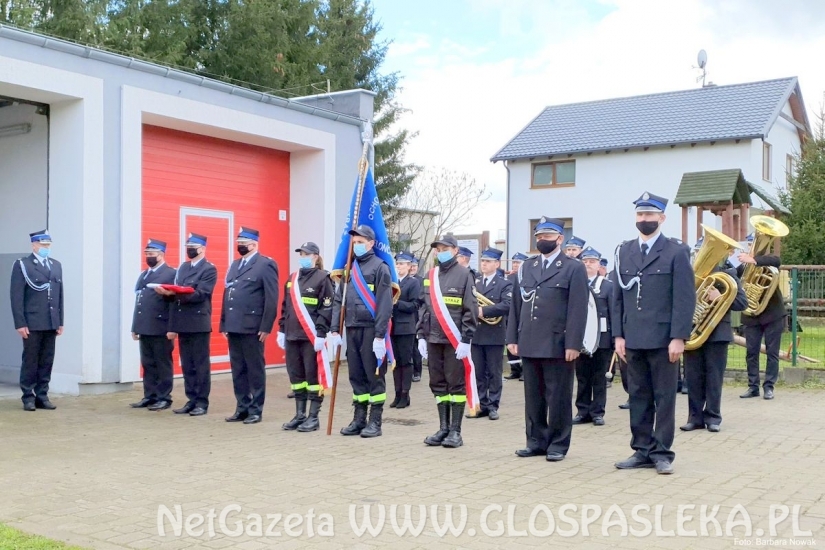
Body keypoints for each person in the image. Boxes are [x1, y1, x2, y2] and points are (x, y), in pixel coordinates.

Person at [612, 192, 695, 475]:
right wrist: (618, 336)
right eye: (640, 215)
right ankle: (642, 450)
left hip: (663, 339)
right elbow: (618, 298)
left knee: (664, 396)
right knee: (638, 395)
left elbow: (684, 298)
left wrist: (678, 337)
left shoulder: (676, 251)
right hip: (632, 338)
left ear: (661, 218)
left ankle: (662, 452)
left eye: (649, 215)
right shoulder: (624, 251)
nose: (644, 220)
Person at [507, 217, 588, 462]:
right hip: (530, 340)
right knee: (534, 396)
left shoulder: (573, 267)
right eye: (539, 236)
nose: (543, 240)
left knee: (559, 397)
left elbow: (578, 308)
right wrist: (512, 337)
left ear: (560, 239)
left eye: (548, 236)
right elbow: (516, 304)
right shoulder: (527, 267)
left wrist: (574, 343)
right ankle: (535, 441)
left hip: (558, 343)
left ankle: (558, 444)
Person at [329, 225, 393, 438]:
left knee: (373, 377)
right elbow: (339, 300)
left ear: (371, 243)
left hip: (371, 330)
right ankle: (358, 419)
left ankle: (375, 421)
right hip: (352, 329)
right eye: (354, 242)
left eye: (360, 242)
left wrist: (379, 335)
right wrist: (334, 329)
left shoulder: (380, 268)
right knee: (356, 376)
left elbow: (384, 304)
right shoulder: (349, 268)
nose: (356, 245)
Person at [418, 235, 478, 448]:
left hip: (454, 341)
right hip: (433, 339)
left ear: (455, 250)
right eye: (438, 248)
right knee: (438, 384)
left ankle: (456, 431)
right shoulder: (430, 275)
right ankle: (443, 428)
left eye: (445, 248)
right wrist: (421, 336)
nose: (440, 251)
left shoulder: (464, 274)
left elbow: (470, 308)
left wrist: (466, 338)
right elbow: (424, 308)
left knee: (456, 385)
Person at [681, 250, 747, 433]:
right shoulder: (687, 274)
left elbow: (742, 304)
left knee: (714, 378)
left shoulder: (728, 276)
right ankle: (694, 418)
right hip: (693, 332)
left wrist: (719, 298)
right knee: (693, 377)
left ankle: (713, 417)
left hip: (717, 333)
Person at [220, 227, 279, 425]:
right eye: (239, 242)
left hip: (253, 326)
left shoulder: (265, 264)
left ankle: (256, 409)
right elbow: (227, 295)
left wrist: (266, 326)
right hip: (234, 325)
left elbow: (271, 297)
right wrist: (224, 323)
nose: (240, 246)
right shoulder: (235, 264)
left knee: (254, 369)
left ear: (254, 244)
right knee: (238, 369)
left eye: (243, 243)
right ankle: (242, 407)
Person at [277, 242, 334, 432]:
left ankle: (313, 417)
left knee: (312, 377)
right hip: (292, 335)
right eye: (301, 254)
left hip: (311, 337)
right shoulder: (293, 278)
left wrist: (320, 333)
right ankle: (299, 414)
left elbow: (326, 308)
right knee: (297, 377)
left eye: (306, 254)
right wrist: (281, 329)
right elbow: (286, 307)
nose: (303, 257)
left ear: (315, 257)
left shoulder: (323, 278)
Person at [163, 232, 217, 417]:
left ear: (202, 248)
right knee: (187, 364)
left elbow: (201, 294)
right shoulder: (183, 268)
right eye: (188, 247)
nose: (189, 250)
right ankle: (191, 399)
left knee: (200, 364)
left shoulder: (209, 269)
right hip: (183, 322)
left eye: (193, 247)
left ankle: (202, 402)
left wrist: (175, 294)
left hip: (198, 322)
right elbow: (177, 291)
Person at [10, 229, 64, 411]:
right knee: (31, 360)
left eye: (48, 245)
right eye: (42, 245)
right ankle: (28, 396)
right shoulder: (23, 265)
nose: (46, 248)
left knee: (47, 360)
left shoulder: (56, 265)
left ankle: (42, 395)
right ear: (34, 245)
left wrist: (60, 320)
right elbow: (16, 297)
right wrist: (20, 323)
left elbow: (59, 296)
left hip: (50, 321)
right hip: (32, 322)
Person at [130, 239, 176, 411]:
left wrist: (172, 327)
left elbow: (173, 303)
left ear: (161, 255)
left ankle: (164, 397)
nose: (148, 257)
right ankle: (149, 396)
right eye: (147, 254)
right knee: (148, 363)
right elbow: (139, 302)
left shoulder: (170, 274)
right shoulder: (144, 274)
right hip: (145, 326)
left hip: (161, 327)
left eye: (152, 254)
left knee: (162, 363)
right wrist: (135, 326)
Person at [737, 233, 785, 400]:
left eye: (755, 244)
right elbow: (732, 276)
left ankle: (769, 386)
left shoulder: (769, 261)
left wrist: (755, 260)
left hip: (773, 314)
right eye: (751, 244)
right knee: (751, 351)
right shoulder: (743, 267)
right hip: (752, 315)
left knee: (772, 352)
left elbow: (777, 261)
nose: (752, 248)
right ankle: (753, 386)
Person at [467, 248, 512, 420]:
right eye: (482, 261)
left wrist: (482, 311)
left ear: (496, 264)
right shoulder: (474, 283)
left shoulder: (504, 284)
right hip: (476, 334)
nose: (484, 264)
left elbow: (507, 305)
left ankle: (493, 405)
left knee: (494, 372)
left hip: (494, 334)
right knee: (478, 372)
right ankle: (481, 405)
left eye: (488, 261)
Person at [573, 247, 615, 426]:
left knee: (599, 377)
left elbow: (614, 313)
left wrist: (615, 339)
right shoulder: (576, 284)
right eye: (585, 261)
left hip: (602, 340)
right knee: (582, 377)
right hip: (581, 339)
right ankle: (582, 411)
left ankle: (598, 412)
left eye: (592, 261)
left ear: (599, 265)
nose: (588, 265)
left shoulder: (607, 286)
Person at [389, 251, 422, 408]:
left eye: (402, 264)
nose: (399, 266)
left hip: (406, 327)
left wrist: (396, 303)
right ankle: (397, 393)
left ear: (409, 266)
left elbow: (415, 305)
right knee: (396, 362)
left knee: (405, 362)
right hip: (393, 327)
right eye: (397, 264)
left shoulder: (413, 283)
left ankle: (405, 394)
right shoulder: (392, 282)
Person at [504, 252, 528, 381]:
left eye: (518, 263)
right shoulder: (509, 278)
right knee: (510, 342)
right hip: (509, 316)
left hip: (522, 315)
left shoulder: (525, 277)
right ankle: (515, 370)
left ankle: (524, 371)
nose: (515, 265)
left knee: (523, 343)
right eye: (514, 262)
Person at [411, 256, 425, 383]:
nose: (413, 268)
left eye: (415, 266)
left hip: (418, 316)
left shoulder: (421, 280)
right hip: (408, 317)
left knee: (416, 347)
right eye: (412, 266)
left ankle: (417, 371)